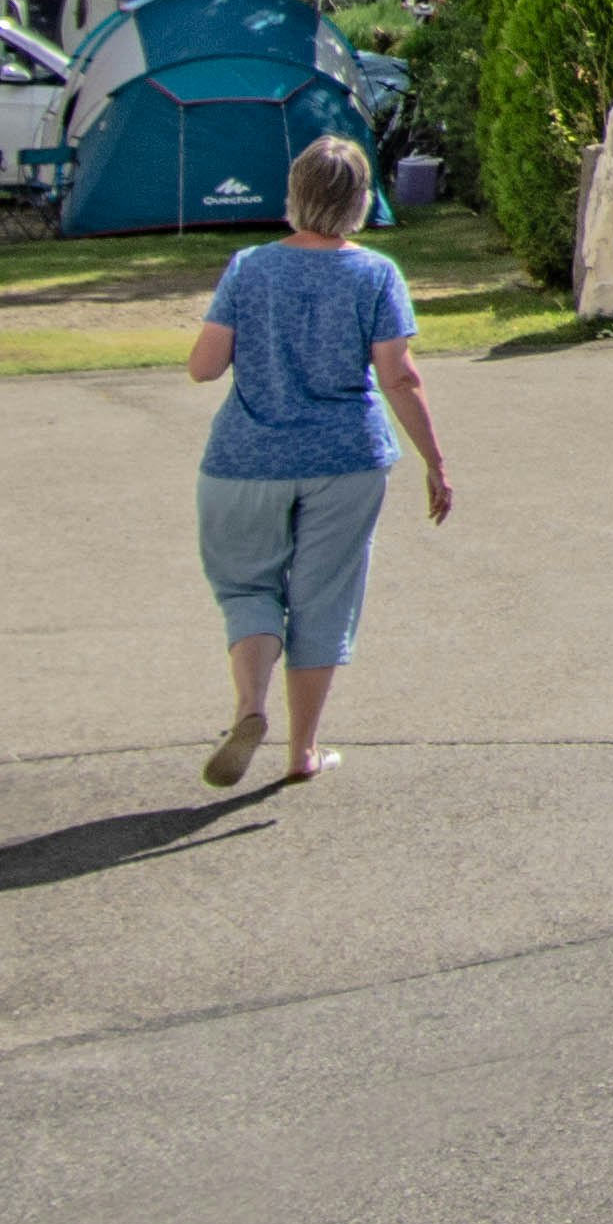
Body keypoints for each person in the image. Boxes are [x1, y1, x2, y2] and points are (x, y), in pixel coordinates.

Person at [181, 134, 453, 787]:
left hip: (245, 459)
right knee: (323, 600)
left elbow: (204, 367)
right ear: (360, 200)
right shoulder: (376, 274)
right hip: (346, 458)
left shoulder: (249, 267)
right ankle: (302, 751)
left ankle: (250, 707)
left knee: (248, 589)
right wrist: (434, 462)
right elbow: (398, 377)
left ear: (295, 194)